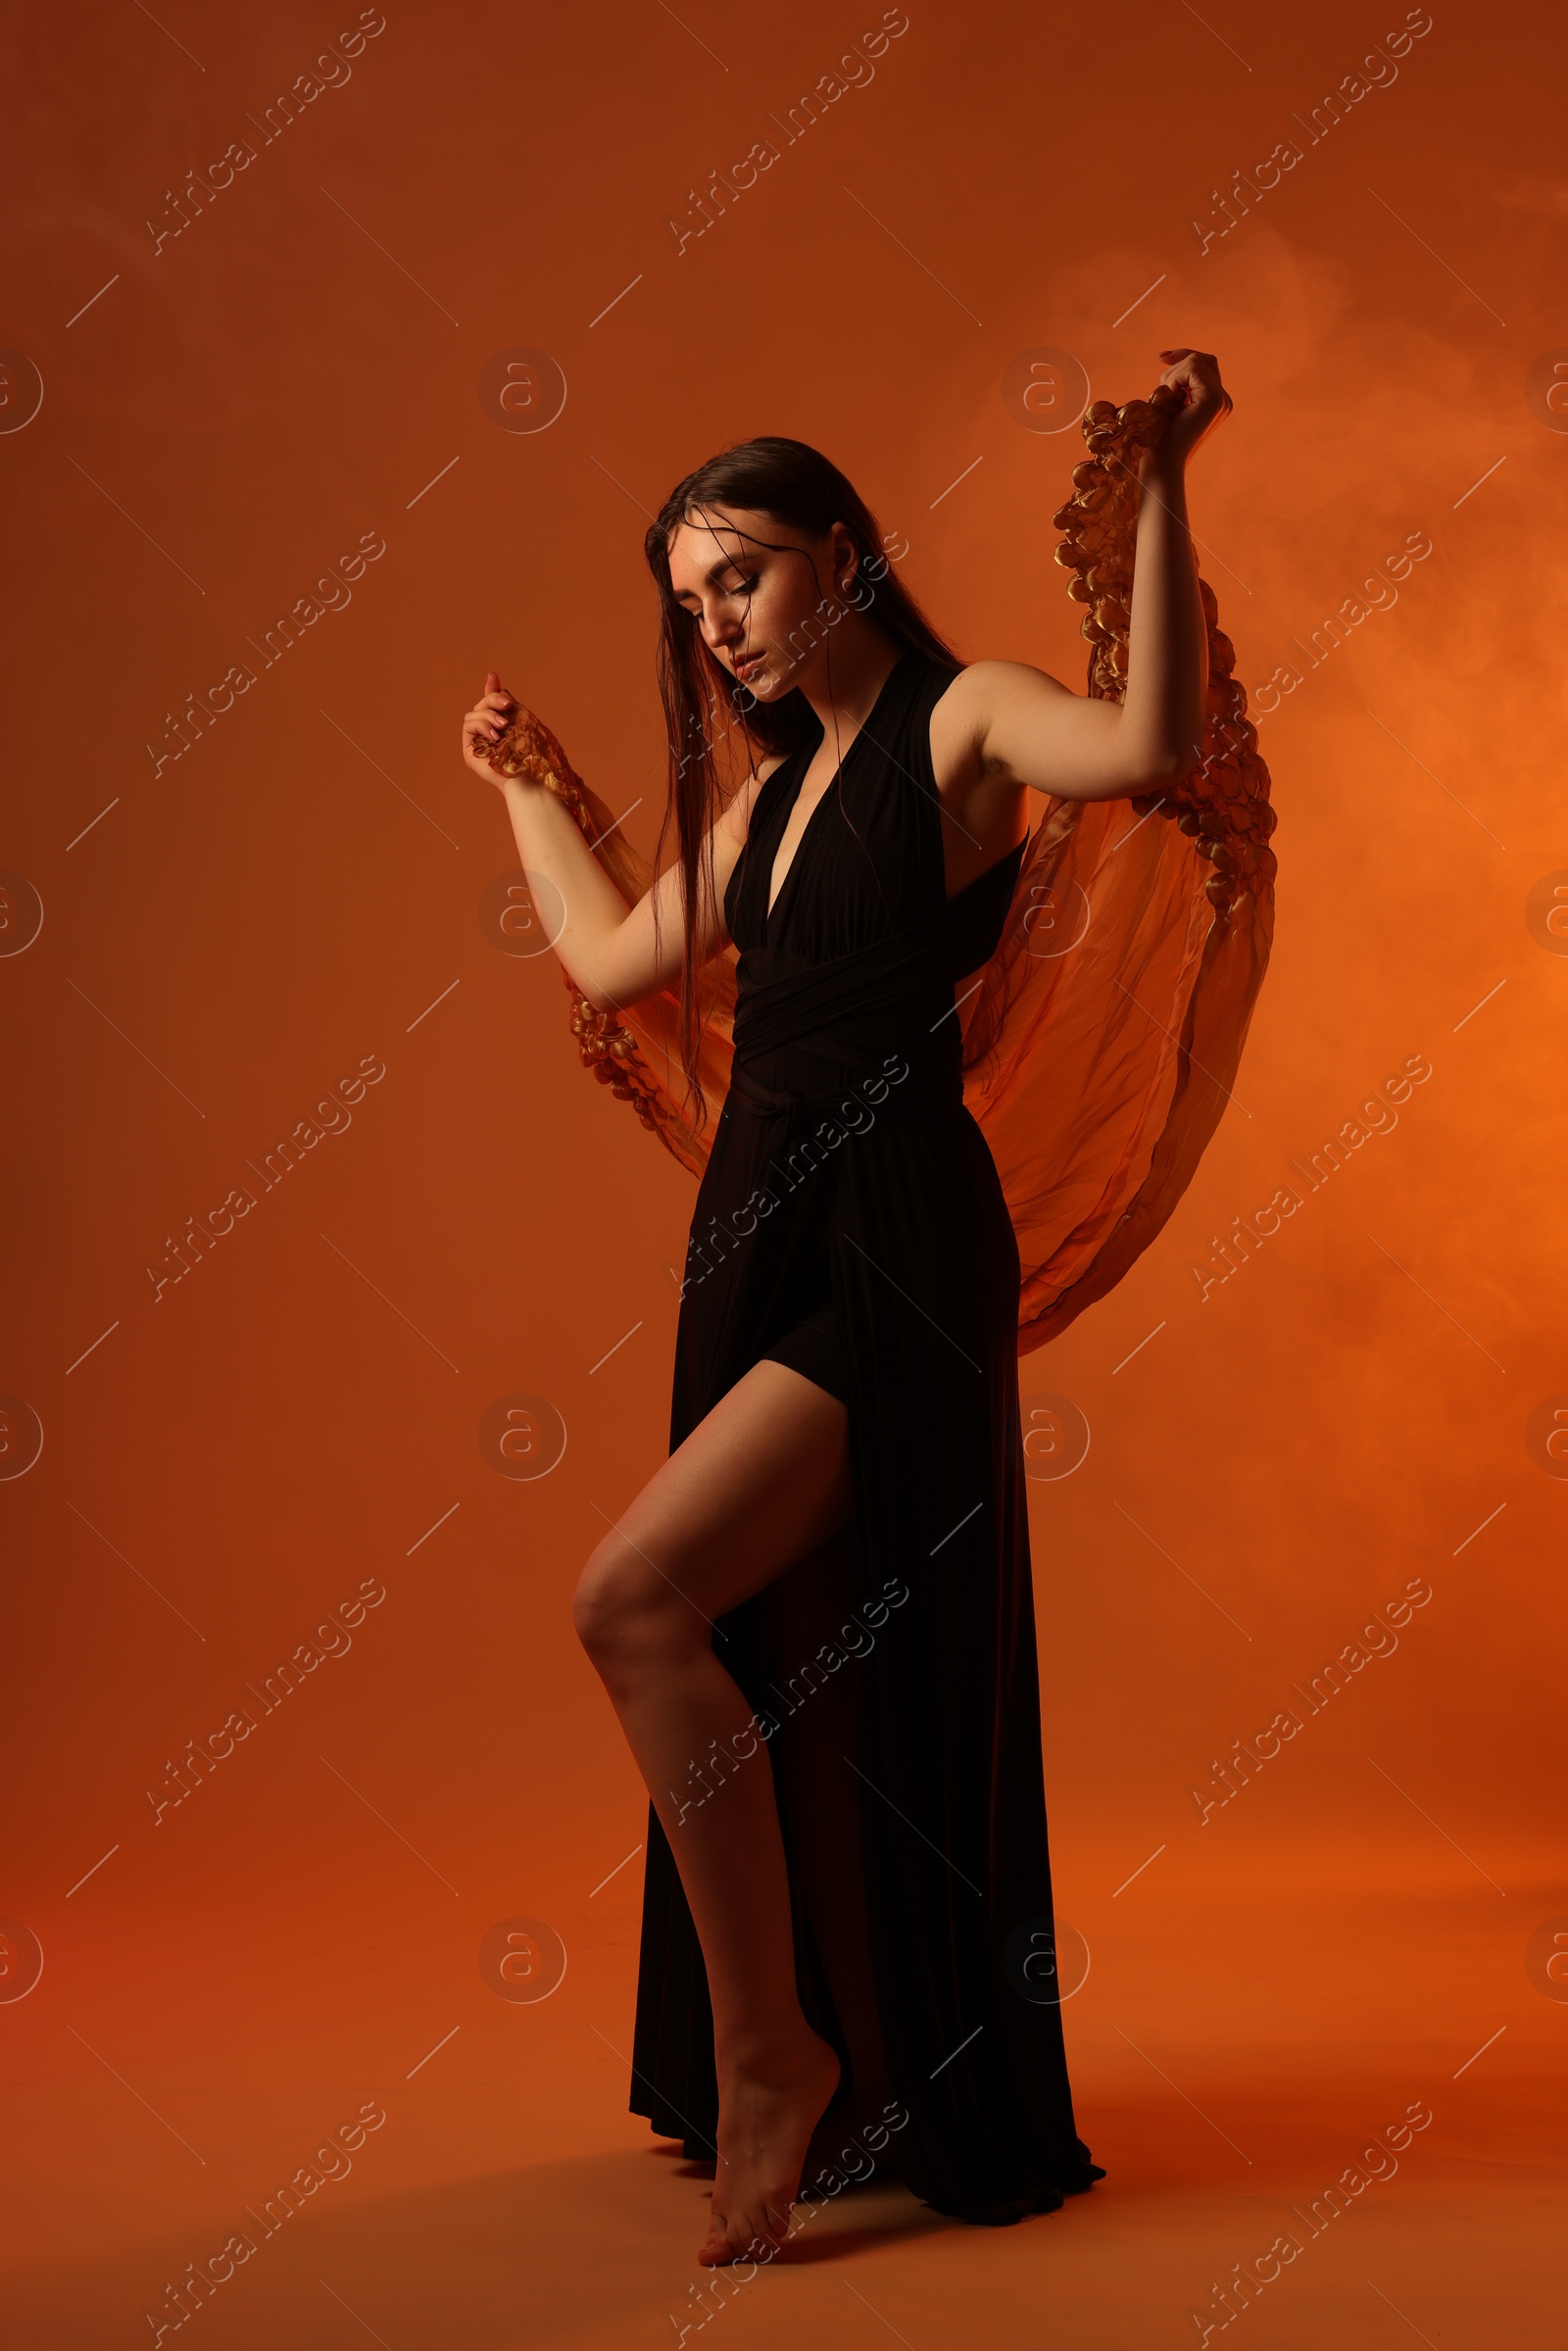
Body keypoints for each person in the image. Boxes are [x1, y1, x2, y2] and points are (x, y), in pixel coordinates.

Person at [462, 350, 1238, 2267]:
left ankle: (770, 2056)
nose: (715, 626)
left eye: (737, 576)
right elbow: (601, 950)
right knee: (747, 1637)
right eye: (689, 604)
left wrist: (1150, 491)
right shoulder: (763, 808)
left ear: (838, 553)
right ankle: (798, 2047)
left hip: (892, 1242)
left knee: (629, 1598)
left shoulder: (963, 723)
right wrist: (525, 787)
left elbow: (1142, 749)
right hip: (754, 1237)